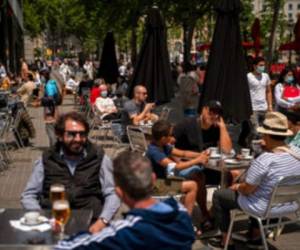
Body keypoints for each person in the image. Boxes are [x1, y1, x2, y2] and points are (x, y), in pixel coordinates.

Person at [55, 151, 195, 250]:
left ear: (119, 193)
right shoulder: (182, 215)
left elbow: (66, 247)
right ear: (153, 179)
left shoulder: (125, 233)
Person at [210, 112, 300, 249]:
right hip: (289, 205)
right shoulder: (297, 153)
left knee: (219, 195)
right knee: (261, 189)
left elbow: (247, 190)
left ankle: (226, 241)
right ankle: (256, 237)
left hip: (263, 207)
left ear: (267, 135)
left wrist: (237, 186)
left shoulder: (266, 159)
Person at [21, 112, 120, 233]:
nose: (78, 139)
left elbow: (112, 193)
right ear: (59, 135)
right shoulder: (47, 158)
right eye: (72, 134)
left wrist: (103, 221)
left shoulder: (98, 157)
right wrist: (42, 217)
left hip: (91, 224)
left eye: (82, 134)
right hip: (53, 225)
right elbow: (29, 195)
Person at [146, 120, 209, 220]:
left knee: (197, 176)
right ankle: (186, 222)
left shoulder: (163, 146)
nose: (172, 138)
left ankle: (203, 214)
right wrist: (198, 160)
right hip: (157, 186)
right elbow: (176, 166)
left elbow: (183, 153)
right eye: (170, 135)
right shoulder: (154, 152)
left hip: (164, 180)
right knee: (192, 186)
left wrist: (201, 154)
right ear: (163, 138)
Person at [247, 57, 272, 137]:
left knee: (264, 132)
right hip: (253, 109)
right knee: (256, 131)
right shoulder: (248, 76)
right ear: (254, 66)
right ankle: (253, 147)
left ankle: (250, 144)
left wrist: (270, 106)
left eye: (264, 65)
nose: (263, 67)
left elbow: (268, 91)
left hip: (264, 108)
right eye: (260, 65)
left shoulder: (266, 76)